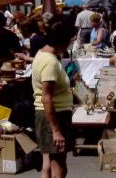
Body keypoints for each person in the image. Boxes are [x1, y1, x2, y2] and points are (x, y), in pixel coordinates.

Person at [32, 22, 77, 178]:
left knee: (51, 162)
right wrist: (56, 130)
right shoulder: (50, 62)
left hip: (50, 115)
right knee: (59, 166)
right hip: (54, 116)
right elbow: (47, 98)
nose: (70, 44)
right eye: (70, 41)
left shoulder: (43, 54)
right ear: (62, 40)